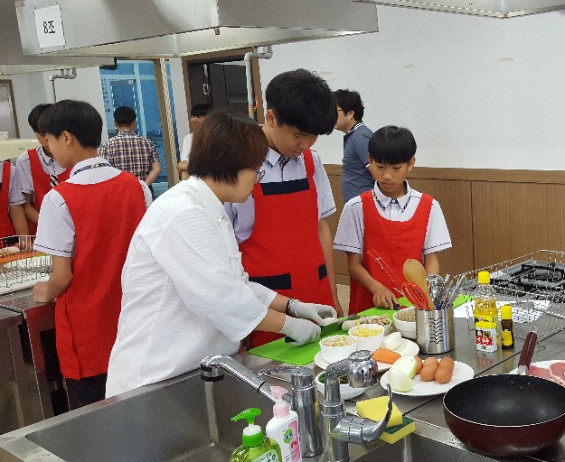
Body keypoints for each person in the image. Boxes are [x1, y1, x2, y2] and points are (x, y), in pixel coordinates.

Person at [105, 113, 337, 397]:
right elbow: (222, 299)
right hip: (155, 377)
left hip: (192, 370)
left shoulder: (210, 208)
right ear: (230, 166)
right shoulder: (183, 213)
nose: (257, 180)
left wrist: (293, 306)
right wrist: (289, 325)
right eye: (255, 171)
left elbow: (237, 283)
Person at [31, 100, 152, 409]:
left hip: (88, 333)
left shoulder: (59, 199)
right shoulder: (137, 187)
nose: (49, 149)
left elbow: (62, 276)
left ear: (66, 138)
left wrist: (45, 291)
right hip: (135, 321)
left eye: (49, 141)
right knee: (140, 409)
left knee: (95, 417)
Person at [225, 69, 342, 346]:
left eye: (314, 137)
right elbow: (227, 245)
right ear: (271, 118)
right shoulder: (239, 164)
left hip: (315, 291)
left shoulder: (311, 161)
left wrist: (332, 293)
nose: (305, 145)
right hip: (266, 301)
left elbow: (321, 228)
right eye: (299, 135)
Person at [334, 126, 451, 313]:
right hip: (368, 309)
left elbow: (431, 259)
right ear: (370, 160)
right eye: (380, 167)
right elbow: (353, 264)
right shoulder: (356, 207)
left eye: (396, 168)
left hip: (414, 308)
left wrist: (426, 289)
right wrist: (376, 288)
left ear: (411, 163)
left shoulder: (429, 206)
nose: (387, 175)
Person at [17, 103, 70, 234]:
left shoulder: (73, 156)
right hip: (41, 230)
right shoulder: (25, 161)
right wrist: (51, 227)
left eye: (51, 134)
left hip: (74, 227)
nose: (47, 139)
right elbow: (26, 206)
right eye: (41, 135)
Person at [99, 105, 162, 189]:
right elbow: (157, 169)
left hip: (120, 191)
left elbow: (104, 172)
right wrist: (144, 186)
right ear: (134, 123)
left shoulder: (106, 146)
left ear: (115, 123)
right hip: (144, 192)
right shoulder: (148, 143)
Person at [333, 89, 374, 202]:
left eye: (335, 111)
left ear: (350, 114)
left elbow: (378, 174)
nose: (331, 116)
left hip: (364, 205)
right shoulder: (353, 135)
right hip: (357, 206)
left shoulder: (360, 137)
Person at [176, 102, 211, 180]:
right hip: (193, 178)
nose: (194, 120)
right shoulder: (188, 138)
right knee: (184, 171)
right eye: (193, 116)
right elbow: (184, 162)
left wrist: (185, 166)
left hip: (211, 178)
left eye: (198, 117)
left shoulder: (215, 137)